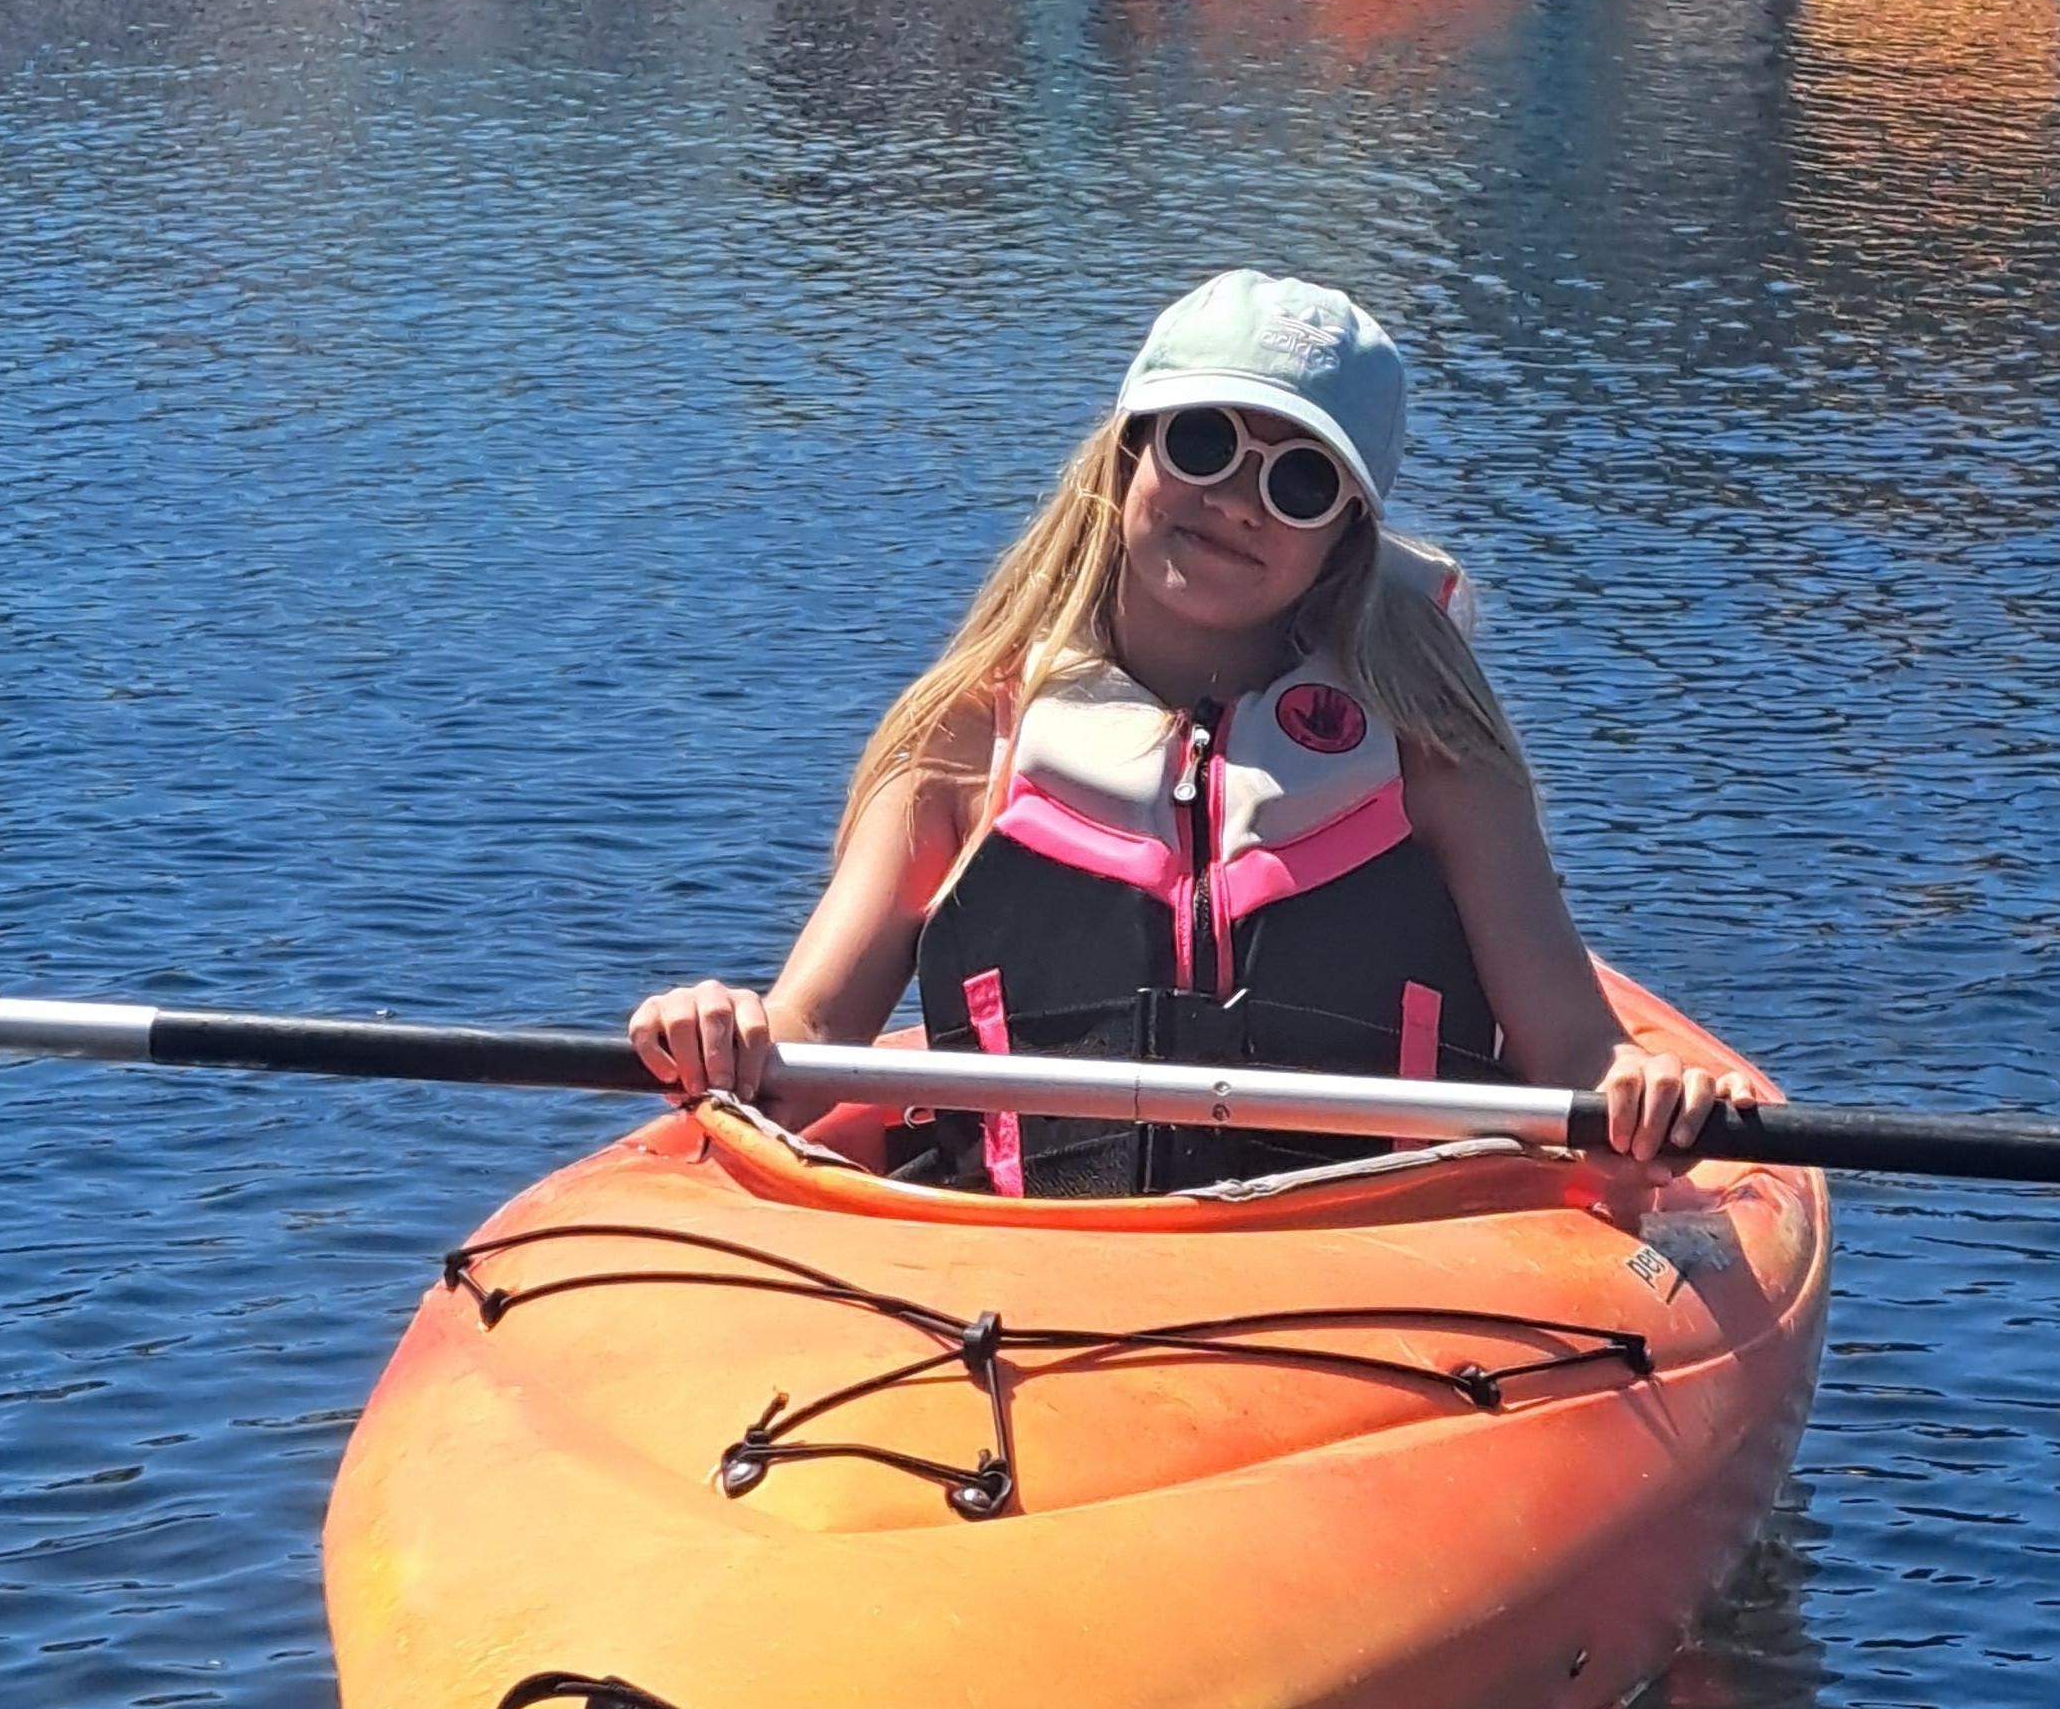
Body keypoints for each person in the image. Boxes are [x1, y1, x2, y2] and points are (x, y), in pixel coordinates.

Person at [629, 270, 1737, 1194]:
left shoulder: (1435, 750)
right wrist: (723, 1026)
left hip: (1396, 1275)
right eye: (1204, 444)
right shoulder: (968, 738)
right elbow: (808, 1035)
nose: (1239, 501)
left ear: (1346, 535)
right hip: (1015, 1277)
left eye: (1300, 479)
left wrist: (1645, 1086)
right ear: (1130, 455)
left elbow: (1576, 1053)